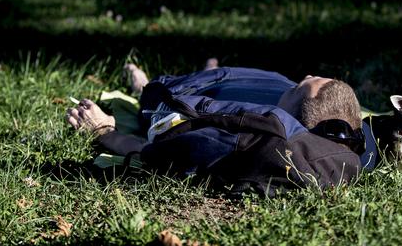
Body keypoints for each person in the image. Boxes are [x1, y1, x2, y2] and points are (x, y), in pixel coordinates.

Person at [65, 61, 372, 168]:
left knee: (151, 94)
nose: (302, 76)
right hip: (224, 84)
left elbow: (156, 153)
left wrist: (103, 130)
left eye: (298, 88)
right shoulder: (355, 145)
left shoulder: (246, 140)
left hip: (179, 95)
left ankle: (141, 85)